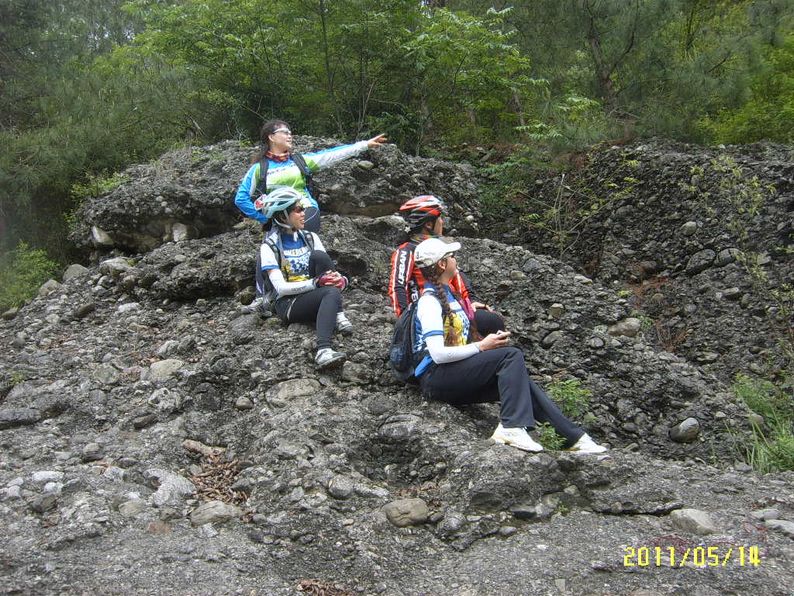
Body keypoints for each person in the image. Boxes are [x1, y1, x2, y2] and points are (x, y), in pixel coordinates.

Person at [411, 237, 607, 454]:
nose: (455, 260)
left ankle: (573, 438)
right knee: (510, 356)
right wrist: (482, 347)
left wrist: (485, 342)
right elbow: (438, 355)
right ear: (442, 264)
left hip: (450, 375)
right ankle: (511, 427)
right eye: (451, 257)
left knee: (519, 381)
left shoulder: (449, 296)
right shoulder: (429, 302)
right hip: (436, 379)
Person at [236, 119, 387, 312]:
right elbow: (241, 198)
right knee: (267, 251)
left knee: (304, 244)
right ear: (271, 137)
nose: (290, 135)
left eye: (290, 131)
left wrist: (363, 145)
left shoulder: (299, 161)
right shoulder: (259, 168)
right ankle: (264, 298)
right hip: (279, 217)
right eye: (284, 132)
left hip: (306, 209)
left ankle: (315, 289)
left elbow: (331, 155)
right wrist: (263, 217)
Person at [257, 186, 352, 370]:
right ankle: (323, 350)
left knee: (320, 257)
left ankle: (338, 313)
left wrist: (341, 280)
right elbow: (281, 288)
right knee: (330, 293)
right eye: (298, 209)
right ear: (282, 215)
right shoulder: (269, 247)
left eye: (303, 209)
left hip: (310, 295)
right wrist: (316, 283)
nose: (304, 213)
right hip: (287, 303)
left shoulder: (310, 237)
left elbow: (326, 271)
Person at [388, 195, 504, 338]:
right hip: (428, 312)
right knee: (493, 323)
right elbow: (398, 286)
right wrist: (405, 320)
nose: (442, 222)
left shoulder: (441, 248)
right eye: (440, 218)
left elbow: (457, 277)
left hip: (452, 305)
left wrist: (471, 301)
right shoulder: (407, 250)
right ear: (428, 224)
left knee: (492, 320)